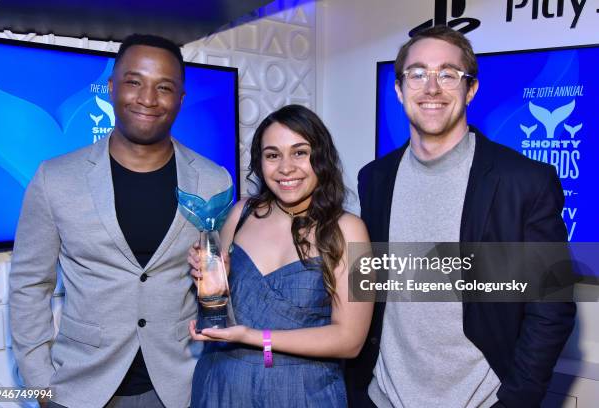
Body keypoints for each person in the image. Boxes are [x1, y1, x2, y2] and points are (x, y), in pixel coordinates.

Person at [345, 26, 576, 408]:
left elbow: (551, 307)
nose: (431, 88)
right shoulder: (375, 178)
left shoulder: (524, 181)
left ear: (471, 89)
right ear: (400, 89)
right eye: (417, 74)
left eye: (448, 74)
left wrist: (515, 401)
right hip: (381, 397)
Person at [9, 34, 231, 408]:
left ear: (180, 99)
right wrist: (41, 386)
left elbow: (218, 282)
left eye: (164, 87)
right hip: (81, 388)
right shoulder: (55, 178)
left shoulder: (214, 180)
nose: (147, 98)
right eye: (134, 82)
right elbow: (29, 284)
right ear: (111, 88)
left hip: (181, 386)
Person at [187, 104, 373, 407]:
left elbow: (350, 340)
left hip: (302, 393)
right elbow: (217, 305)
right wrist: (211, 274)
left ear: (321, 157)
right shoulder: (240, 214)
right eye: (273, 155)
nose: (286, 167)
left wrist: (254, 337)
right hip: (221, 386)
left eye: (299, 152)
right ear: (261, 163)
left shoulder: (351, 231)